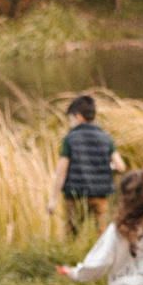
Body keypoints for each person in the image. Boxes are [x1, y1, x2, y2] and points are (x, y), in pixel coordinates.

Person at [55, 93, 117, 232]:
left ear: (78, 117)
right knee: (101, 233)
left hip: (75, 195)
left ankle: (72, 254)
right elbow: (119, 165)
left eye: (70, 119)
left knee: (72, 233)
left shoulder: (70, 138)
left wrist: (53, 199)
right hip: (100, 194)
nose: (70, 123)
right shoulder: (106, 138)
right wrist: (108, 167)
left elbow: (62, 170)